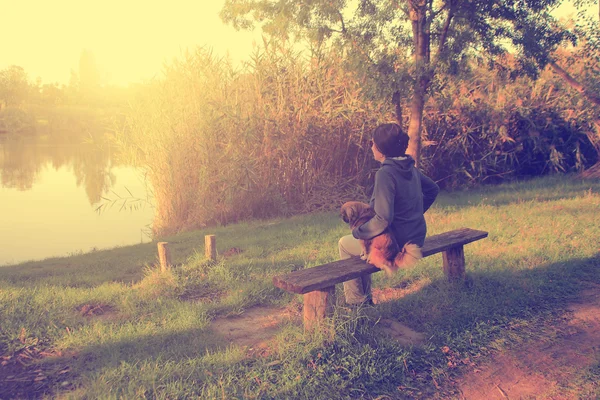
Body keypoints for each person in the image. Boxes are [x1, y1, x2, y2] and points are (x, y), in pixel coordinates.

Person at [338, 123, 439, 305]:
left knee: (345, 244)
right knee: (362, 245)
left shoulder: (385, 173)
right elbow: (433, 189)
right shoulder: (408, 167)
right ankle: (364, 299)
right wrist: (413, 214)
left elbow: (383, 219)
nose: (371, 146)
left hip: (396, 244)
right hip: (416, 238)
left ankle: (357, 303)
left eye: (372, 143)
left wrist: (358, 231)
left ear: (381, 149)